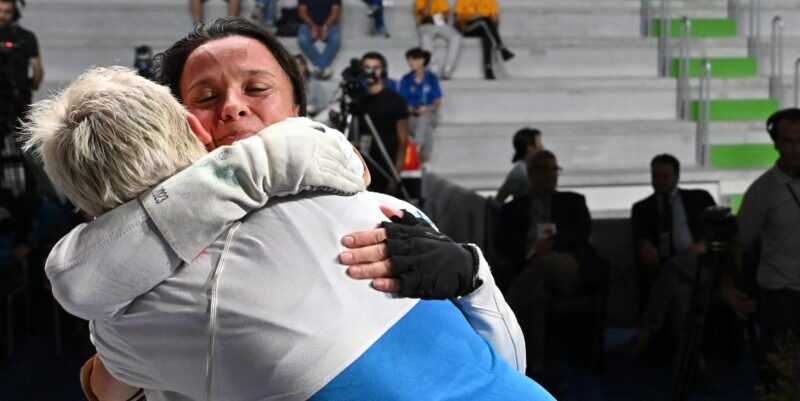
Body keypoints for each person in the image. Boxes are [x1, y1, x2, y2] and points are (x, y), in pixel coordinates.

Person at [31, 19, 552, 400]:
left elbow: (503, 373)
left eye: (256, 88)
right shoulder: (135, 285)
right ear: (183, 124)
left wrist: (474, 276)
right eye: (206, 97)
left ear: (298, 109)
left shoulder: (379, 212)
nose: (233, 106)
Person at [495, 150, 595, 389]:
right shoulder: (515, 209)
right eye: (544, 170)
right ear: (531, 174)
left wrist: (550, 247)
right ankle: (537, 368)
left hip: (565, 266)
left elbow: (582, 235)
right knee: (537, 298)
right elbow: (503, 243)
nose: (551, 176)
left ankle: (498, 325)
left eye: (554, 170)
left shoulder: (573, 202)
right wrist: (530, 249)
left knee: (543, 263)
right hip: (528, 271)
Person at [625, 154, 716, 356]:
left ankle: (646, 329)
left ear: (676, 176)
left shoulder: (699, 198)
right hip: (670, 272)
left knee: (673, 267)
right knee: (680, 295)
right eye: (655, 176)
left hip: (700, 264)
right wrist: (644, 244)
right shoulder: (642, 208)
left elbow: (721, 229)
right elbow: (639, 235)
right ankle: (692, 363)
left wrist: (704, 243)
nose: (659, 182)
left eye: (665, 176)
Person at [730, 108, 800, 356]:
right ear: (776, 145)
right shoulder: (761, 191)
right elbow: (739, 243)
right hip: (781, 297)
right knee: (781, 377)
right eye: (789, 141)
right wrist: (734, 289)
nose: (796, 149)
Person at [0, 0, 42, 178]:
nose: (2, 16)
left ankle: (32, 195)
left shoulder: (26, 38)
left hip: (18, 101)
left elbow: (37, 67)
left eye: (7, 12)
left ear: (15, 13)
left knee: (28, 150)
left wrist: (31, 85)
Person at [359, 51, 410, 196]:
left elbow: (403, 141)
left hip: (387, 166)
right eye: (367, 67)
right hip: (363, 166)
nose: (371, 72)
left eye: (376, 67)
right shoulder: (358, 101)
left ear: (384, 71)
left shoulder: (396, 100)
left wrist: (396, 176)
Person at [399, 47, 442, 164]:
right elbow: (402, 102)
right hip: (412, 115)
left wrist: (428, 108)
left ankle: (416, 149)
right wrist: (412, 110)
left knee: (425, 117)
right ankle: (425, 161)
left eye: (413, 59)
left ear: (422, 60)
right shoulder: (406, 79)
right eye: (408, 59)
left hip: (430, 114)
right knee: (426, 129)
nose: (410, 62)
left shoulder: (432, 79)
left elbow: (437, 102)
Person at [454, 0, 514, 80]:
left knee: (486, 30)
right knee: (484, 21)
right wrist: (474, 16)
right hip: (467, 28)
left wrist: (493, 18)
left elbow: (495, 21)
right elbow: (458, 20)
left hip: (484, 27)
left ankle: (488, 69)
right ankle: (501, 47)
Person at [415, 0, 462, 80]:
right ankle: (434, 69)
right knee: (425, 38)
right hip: (426, 24)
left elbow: (446, 17)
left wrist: (441, 17)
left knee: (456, 37)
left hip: (440, 24)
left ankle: (448, 69)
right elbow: (424, 14)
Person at [495, 127, 543, 204]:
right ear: (529, 148)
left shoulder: (535, 169)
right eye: (539, 144)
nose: (542, 146)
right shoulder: (519, 172)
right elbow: (498, 200)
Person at [297, 0, 341, 80]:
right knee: (303, 39)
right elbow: (302, 12)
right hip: (308, 24)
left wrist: (325, 27)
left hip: (329, 25)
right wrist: (313, 27)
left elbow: (336, 11)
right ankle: (323, 66)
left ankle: (319, 66)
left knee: (335, 38)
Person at [293, 54, 327, 118]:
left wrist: (312, 109)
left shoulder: (313, 83)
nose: (298, 67)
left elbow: (323, 104)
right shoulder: (288, 83)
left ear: (305, 66)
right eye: (295, 65)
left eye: (300, 64)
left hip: (313, 115)